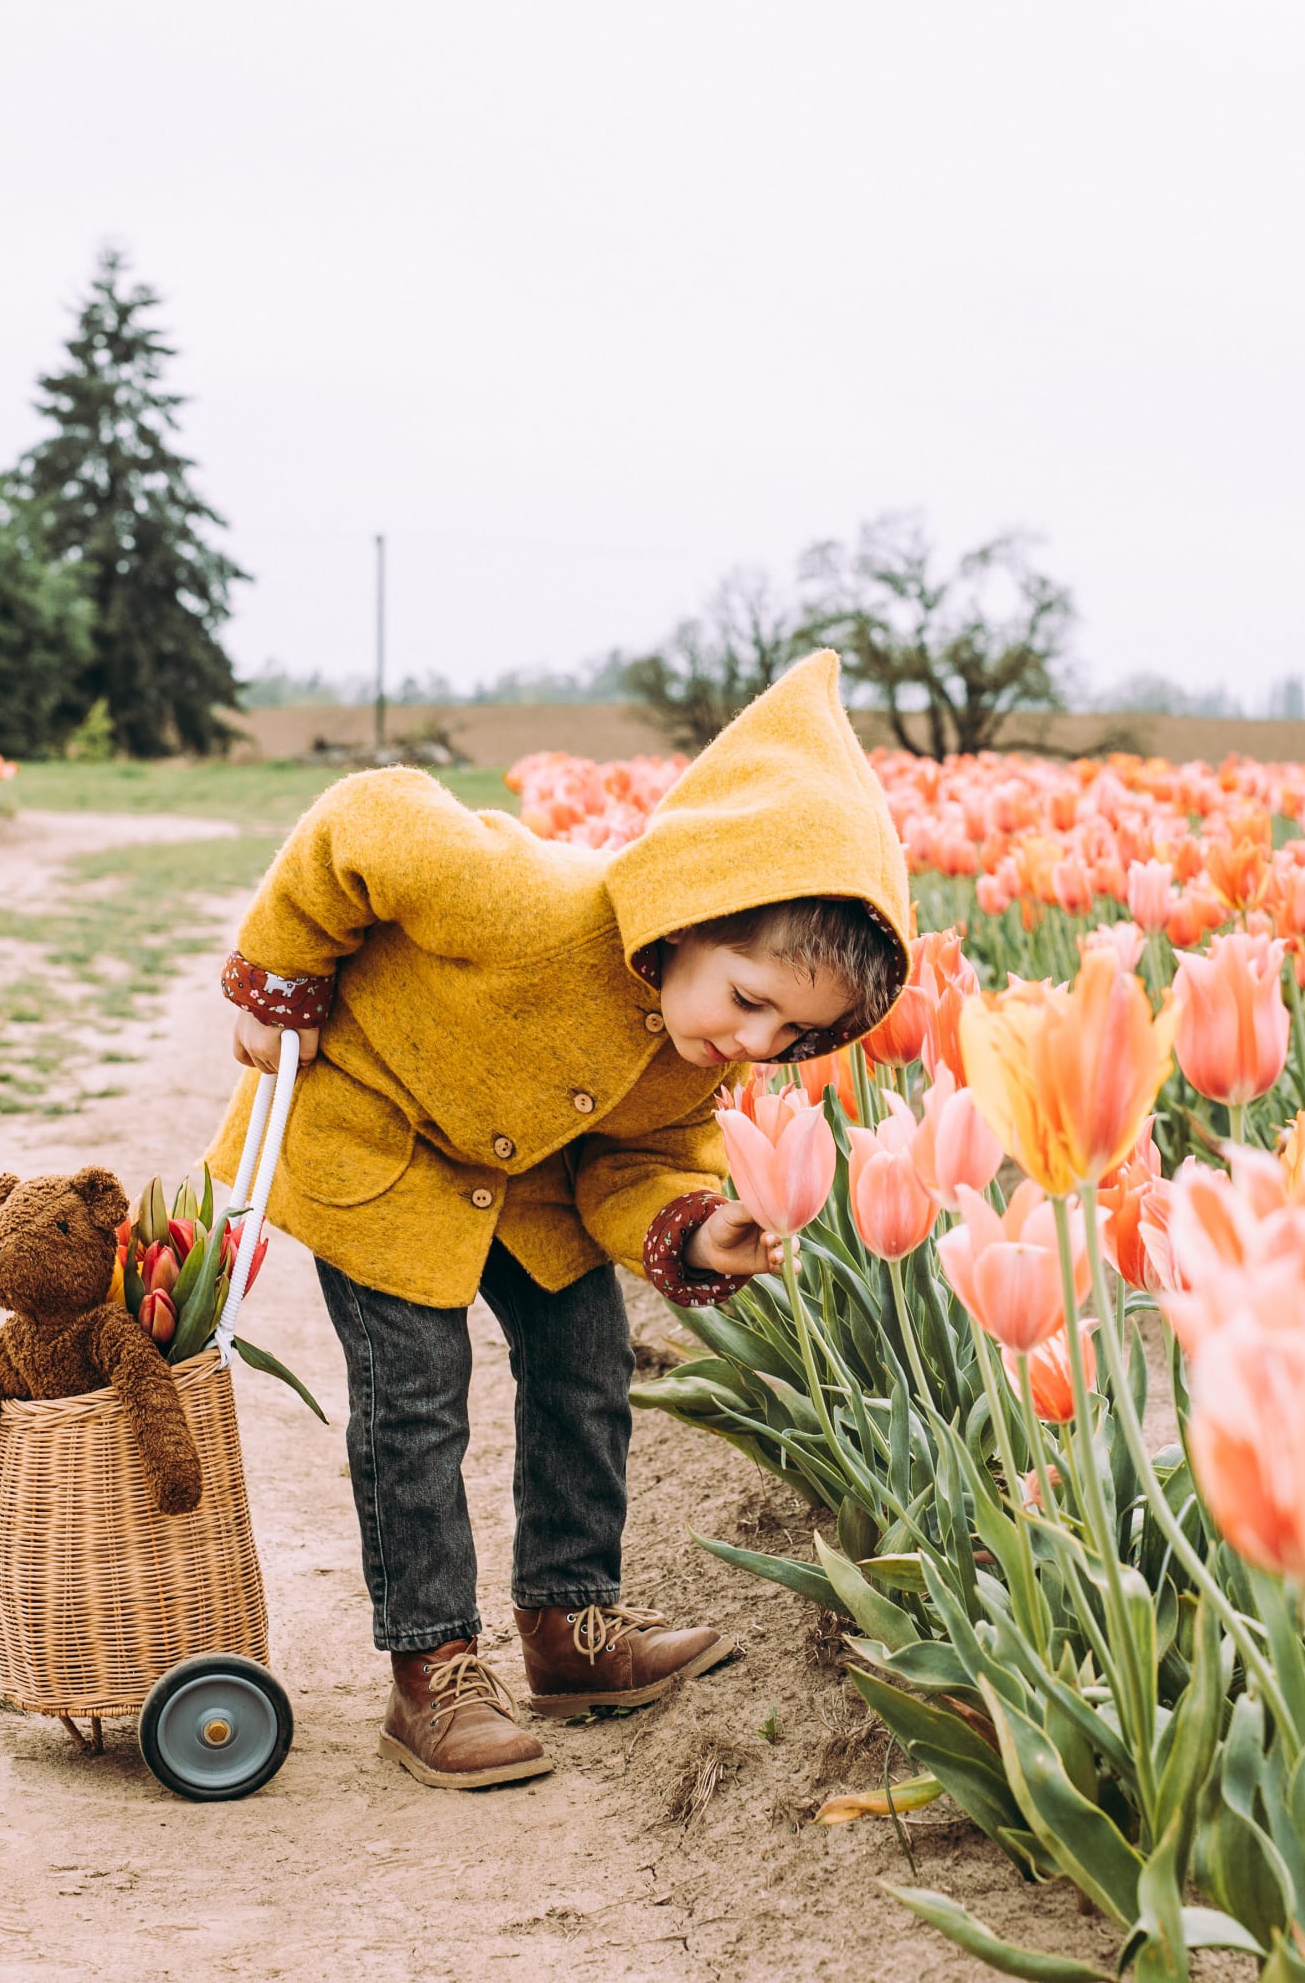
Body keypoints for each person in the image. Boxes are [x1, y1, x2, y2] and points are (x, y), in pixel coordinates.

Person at [205, 652, 909, 1789]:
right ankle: (431, 1663)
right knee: (417, 1395)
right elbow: (367, 814)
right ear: (687, 913)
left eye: (793, 1034)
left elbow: (634, 1160)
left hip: (529, 1179)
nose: (756, 1044)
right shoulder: (525, 902)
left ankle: (569, 1626)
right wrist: (278, 978)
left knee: (586, 1363)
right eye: (747, 997)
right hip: (381, 1137)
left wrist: (693, 1227)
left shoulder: (696, 1054)